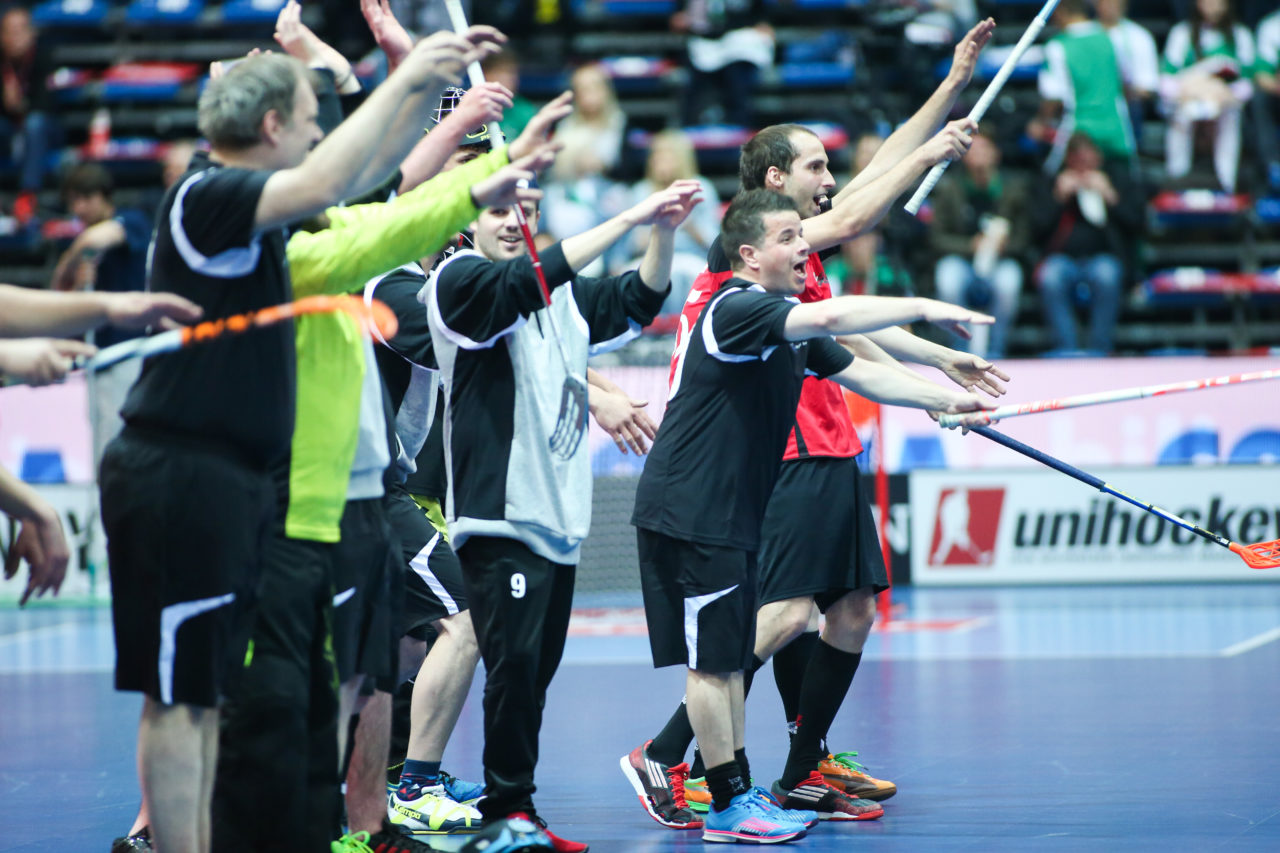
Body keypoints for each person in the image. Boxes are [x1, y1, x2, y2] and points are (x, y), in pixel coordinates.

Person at [98, 29, 504, 853]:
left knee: (252, 688)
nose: (323, 131)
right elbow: (360, 193)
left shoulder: (276, 209)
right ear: (274, 124)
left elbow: (382, 181)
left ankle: (294, 827)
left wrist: (449, 116)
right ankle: (162, 835)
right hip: (194, 467)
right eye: (312, 116)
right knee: (196, 688)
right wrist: (416, 83)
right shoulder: (218, 198)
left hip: (248, 473)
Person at [620, 19, 1013, 833]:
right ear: (773, 188)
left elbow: (850, 349)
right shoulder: (755, 253)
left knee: (845, 606)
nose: (830, 185)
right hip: (764, 463)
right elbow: (864, 216)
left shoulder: (792, 256)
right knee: (770, 621)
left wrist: (939, 384)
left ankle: (795, 769)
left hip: (812, 448)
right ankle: (680, 758)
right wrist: (930, 159)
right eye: (815, 168)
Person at [424, 177, 704, 852]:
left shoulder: (563, 296)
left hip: (557, 521)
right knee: (514, 669)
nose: (514, 222)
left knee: (532, 678)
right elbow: (527, 281)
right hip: (499, 516)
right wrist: (632, 212)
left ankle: (516, 811)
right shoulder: (459, 282)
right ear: (470, 222)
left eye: (527, 212)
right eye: (499, 211)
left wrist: (662, 231)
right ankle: (506, 814)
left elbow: (639, 297)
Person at [50, 163, 154, 465]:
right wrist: (76, 280)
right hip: (98, 355)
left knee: (119, 440)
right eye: (73, 201)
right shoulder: (83, 251)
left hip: (129, 352)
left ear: (104, 196)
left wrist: (71, 260)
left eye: (85, 198)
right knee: (102, 441)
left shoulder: (131, 221)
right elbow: (59, 295)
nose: (78, 208)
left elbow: (93, 241)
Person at [1032, 133, 1142, 354]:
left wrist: (1110, 196)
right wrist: (1058, 198)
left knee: (1107, 274)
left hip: (1104, 257)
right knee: (1050, 276)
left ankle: (1099, 349)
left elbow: (1137, 224)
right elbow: (1036, 230)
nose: (1083, 167)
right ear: (1068, 160)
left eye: (1088, 159)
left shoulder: (1118, 179)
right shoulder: (1052, 182)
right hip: (1062, 259)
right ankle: (1067, 349)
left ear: (1098, 157)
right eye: (1077, 160)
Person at [929, 130, 1028, 359]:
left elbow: (1025, 238)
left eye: (985, 148)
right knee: (948, 279)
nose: (979, 155)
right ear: (964, 156)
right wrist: (970, 245)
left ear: (996, 154)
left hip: (1000, 260)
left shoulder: (1012, 191)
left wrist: (1004, 246)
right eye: (973, 149)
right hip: (962, 260)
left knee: (1009, 282)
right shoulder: (950, 190)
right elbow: (936, 238)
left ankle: (996, 350)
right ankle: (959, 351)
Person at [1028, 0, 1135, 172]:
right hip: (1116, 131)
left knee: (1053, 178)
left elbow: (1054, 96)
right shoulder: (1111, 38)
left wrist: (1040, 122)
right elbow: (1127, 84)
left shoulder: (1057, 46)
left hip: (1077, 136)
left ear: (1060, 11)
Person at [1161, 0, 1256, 192]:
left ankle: (1226, 183)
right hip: (1189, 97)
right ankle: (1177, 179)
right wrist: (1187, 93)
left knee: (1230, 116)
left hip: (1223, 100)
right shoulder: (1182, 33)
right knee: (1181, 118)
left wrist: (1228, 95)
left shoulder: (1240, 35)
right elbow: (1166, 80)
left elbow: (1247, 82)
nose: (1213, 6)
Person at [623, 129, 721, 314]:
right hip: (647, 258)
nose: (661, 162)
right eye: (657, 156)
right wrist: (642, 237)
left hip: (690, 256)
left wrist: (690, 225)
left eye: (667, 156)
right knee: (633, 275)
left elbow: (715, 242)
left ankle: (684, 325)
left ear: (681, 159)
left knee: (682, 272)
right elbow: (627, 245)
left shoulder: (700, 188)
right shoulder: (640, 191)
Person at [674, 0, 774, 127]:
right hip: (702, 43)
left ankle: (740, 128)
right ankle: (690, 127)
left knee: (737, 83)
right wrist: (681, 16)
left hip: (737, 41)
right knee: (694, 90)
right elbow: (679, 16)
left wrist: (763, 22)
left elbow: (759, 12)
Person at [0, 6, 57, 223]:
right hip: (9, 129)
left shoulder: (45, 57)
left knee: (35, 123)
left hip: (44, 130)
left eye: (20, 30)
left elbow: (47, 104)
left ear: (32, 33)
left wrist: (20, 105)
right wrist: (6, 103)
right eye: (9, 31)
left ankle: (27, 195)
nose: (15, 37)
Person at [1095, 0, 1160, 138]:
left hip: (1126, 102)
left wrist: (1121, 90)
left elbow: (1148, 87)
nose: (1110, 6)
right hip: (1089, 101)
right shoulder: (1083, 33)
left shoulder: (1140, 36)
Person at [1255, 7, 1280, 190]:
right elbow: (1263, 77)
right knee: (1260, 98)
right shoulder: (1272, 26)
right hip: (1277, 93)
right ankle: (1273, 167)